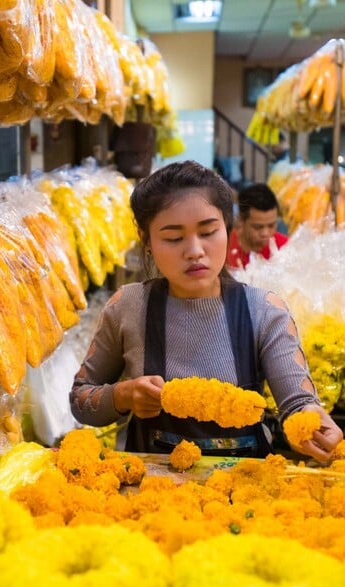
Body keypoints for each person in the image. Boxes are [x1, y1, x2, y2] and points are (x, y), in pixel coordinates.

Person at [70, 160, 342, 462]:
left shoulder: (264, 310)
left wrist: (311, 421)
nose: (195, 250)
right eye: (173, 238)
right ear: (147, 242)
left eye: (208, 232)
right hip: (152, 496)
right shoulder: (129, 307)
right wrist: (121, 396)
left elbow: (298, 401)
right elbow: (80, 399)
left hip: (243, 491)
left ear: (227, 229)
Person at [226, 183, 288, 269]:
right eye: (258, 227)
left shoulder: (284, 248)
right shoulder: (224, 247)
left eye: (271, 225)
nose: (265, 233)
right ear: (241, 220)